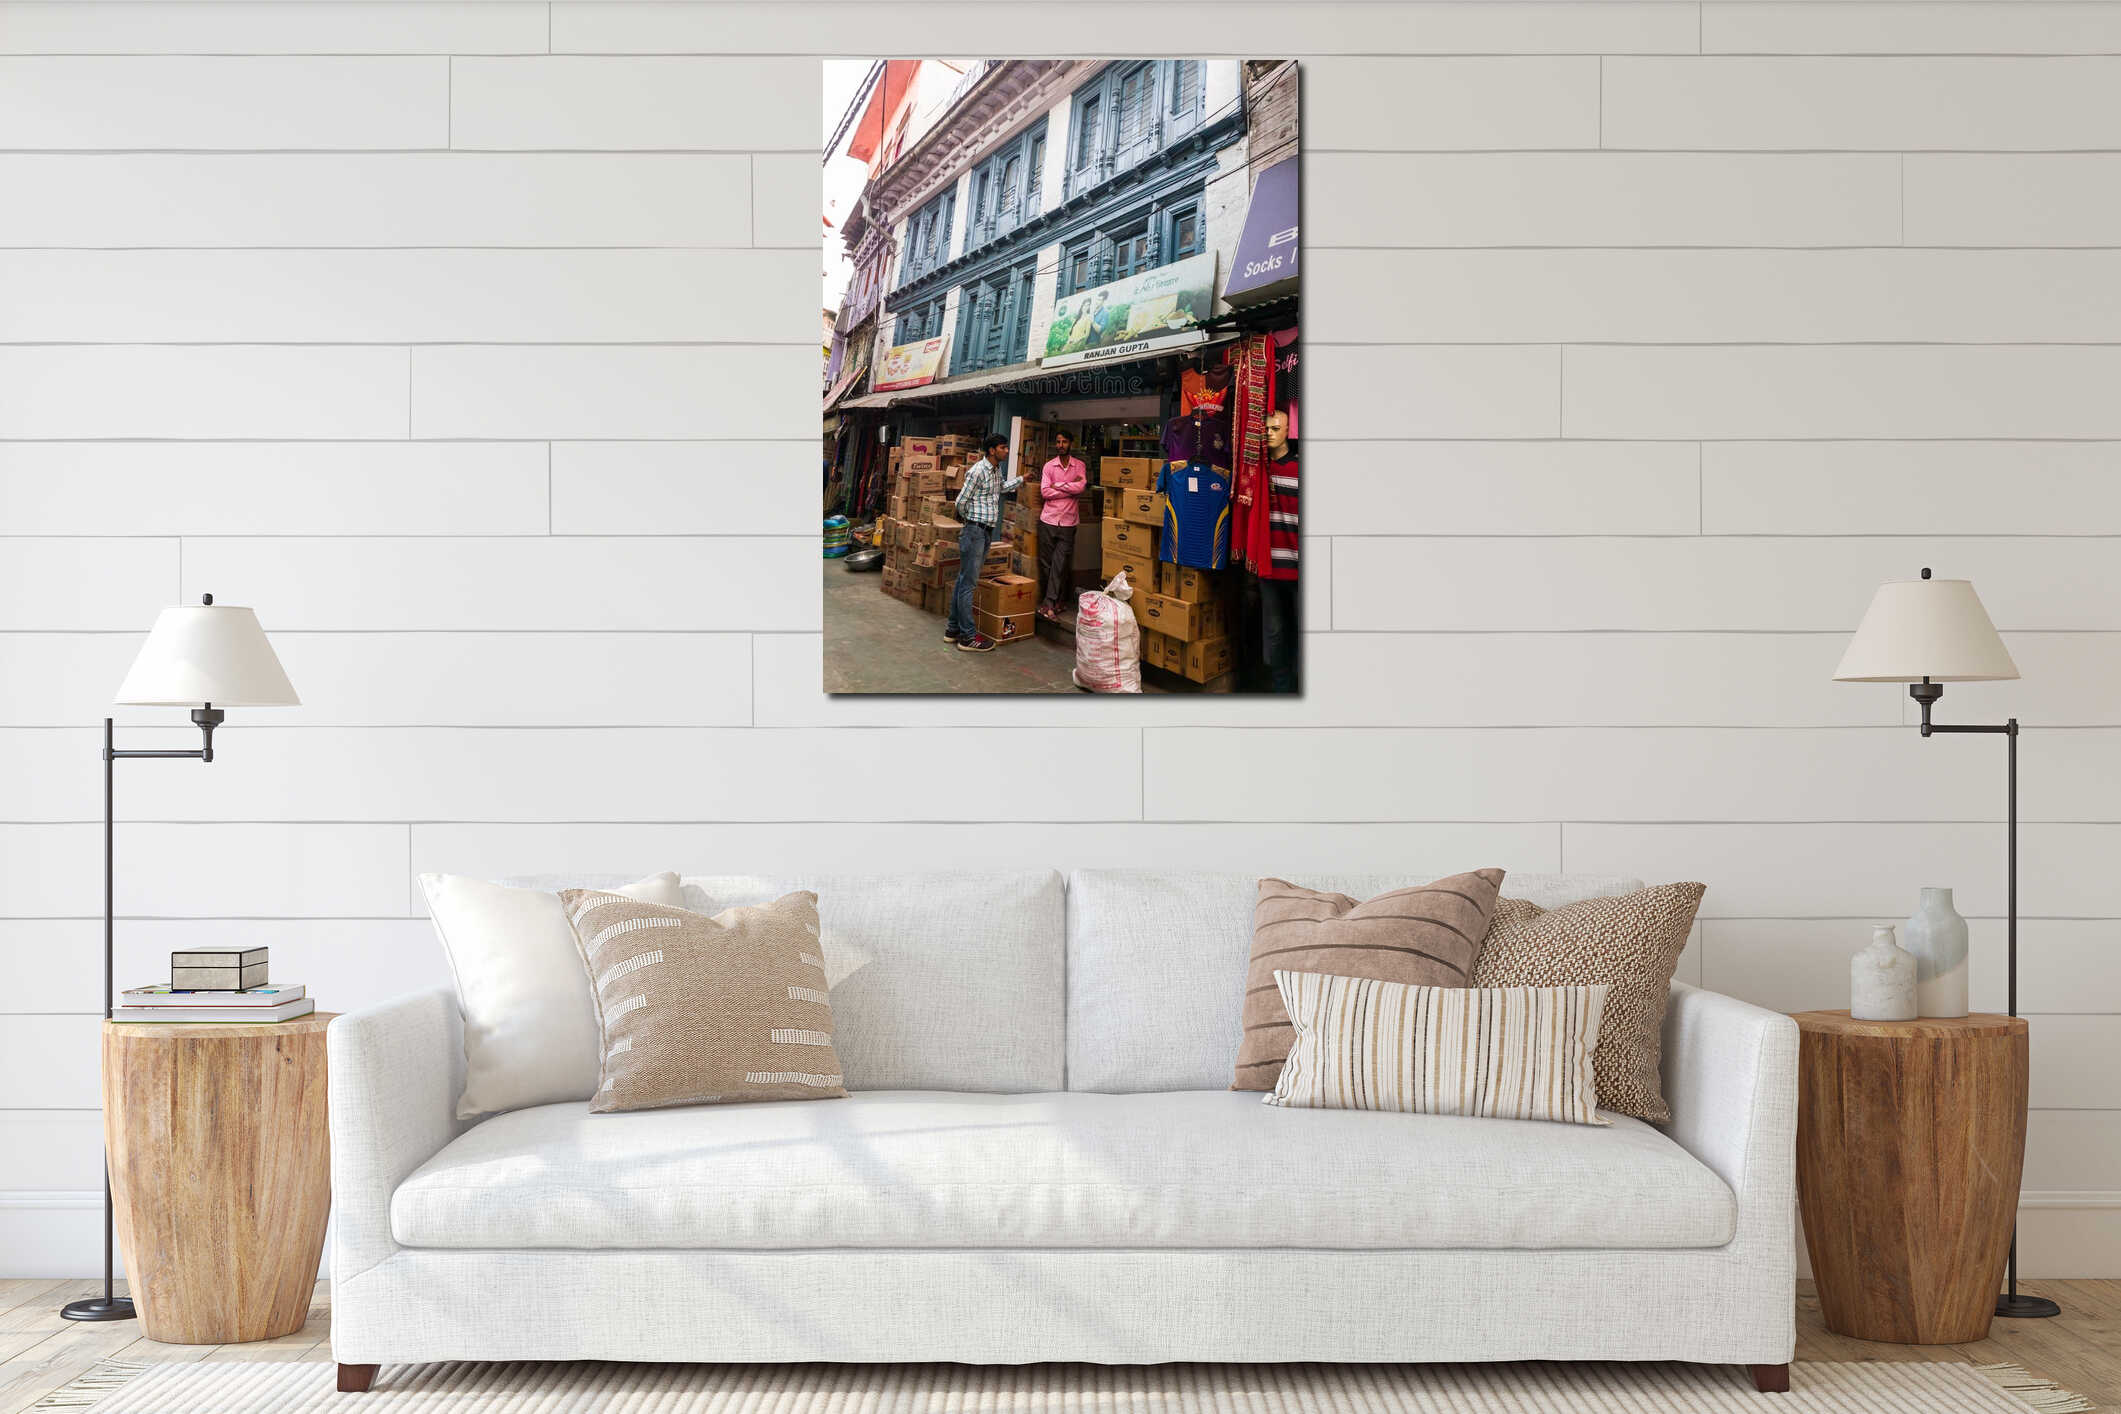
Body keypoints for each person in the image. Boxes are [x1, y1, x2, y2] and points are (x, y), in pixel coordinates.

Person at [945, 434, 1022, 652]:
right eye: (1002, 447)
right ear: (991, 450)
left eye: (1006, 447)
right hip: (975, 531)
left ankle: (952, 629)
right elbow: (961, 501)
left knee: (963, 581)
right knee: (968, 583)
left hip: (984, 531)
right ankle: (968, 637)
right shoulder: (978, 470)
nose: (1006, 451)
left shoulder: (995, 470)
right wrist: (971, 521)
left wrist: (1021, 480)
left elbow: (1001, 488)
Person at [1257, 408, 1299, 692]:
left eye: (1276, 428)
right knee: (1274, 634)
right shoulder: (1258, 471)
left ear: (1288, 431)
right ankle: (1280, 692)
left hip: (1298, 567)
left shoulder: (1300, 469)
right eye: (1266, 429)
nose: (1269, 433)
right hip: (1269, 567)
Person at [1035, 431, 1088, 620]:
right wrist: (1068, 487)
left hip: (1068, 522)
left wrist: (1058, 486)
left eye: (1064, 441)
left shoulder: (1079, 466)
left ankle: (1048, 604)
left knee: (1059, 564)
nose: (1061, 445)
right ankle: (1055, 601)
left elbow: (1081, 487)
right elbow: (1045, 492)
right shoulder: (1049, 466)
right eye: (1058, 442)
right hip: (1048, 520)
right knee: (1046, 564)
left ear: (1071, 443)